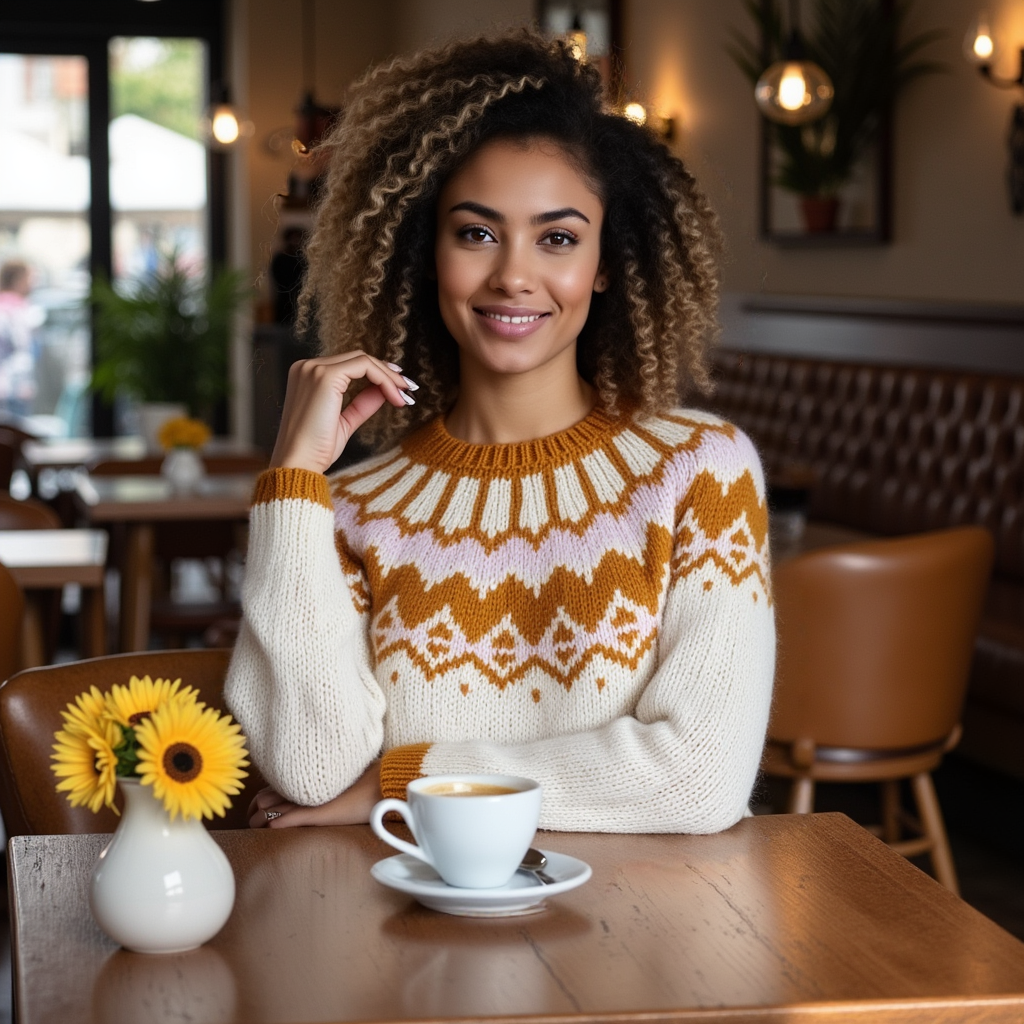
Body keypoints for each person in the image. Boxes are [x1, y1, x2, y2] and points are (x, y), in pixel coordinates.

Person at [224, 28, 775, 834]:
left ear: (606, 262)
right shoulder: (350, 509)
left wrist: (401, 780)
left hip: (649, 940)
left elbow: (697, 778)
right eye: (476, 232)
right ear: (426, 251)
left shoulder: (702, 471)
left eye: (558, 238)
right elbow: (309, 770)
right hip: (400, 937)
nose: (514, 273)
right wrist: (293, 481)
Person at [0, 259, 42, 418]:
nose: (33, 283)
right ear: (17, 280)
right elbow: (22, 349)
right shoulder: (17, 309)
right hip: (14, 389)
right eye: (30, 278)